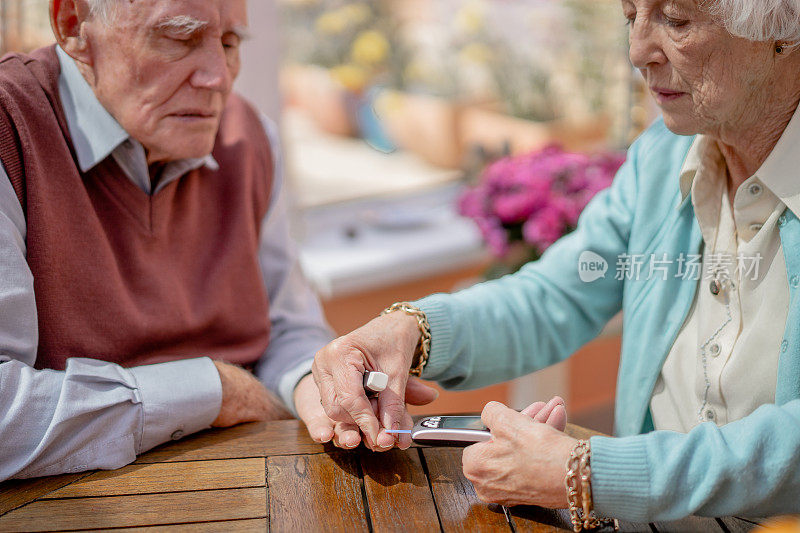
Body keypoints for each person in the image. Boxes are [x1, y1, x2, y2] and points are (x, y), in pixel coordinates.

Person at [311, 0, 800, 524]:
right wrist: (412, 328)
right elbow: (557, 294)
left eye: (676, 20)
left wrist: (589, 474)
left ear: (783, 31)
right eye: (629, 15)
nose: (637, 51)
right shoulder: (661, 157)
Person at [0, 0, 343, 481]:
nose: (218, 78)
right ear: (73, 25)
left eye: (229, 43)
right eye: (179, 39)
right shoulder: (9, 128)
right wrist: (217, 390)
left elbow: (288, 326)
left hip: (255, 485)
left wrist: (319, 385)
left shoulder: (248, 135)